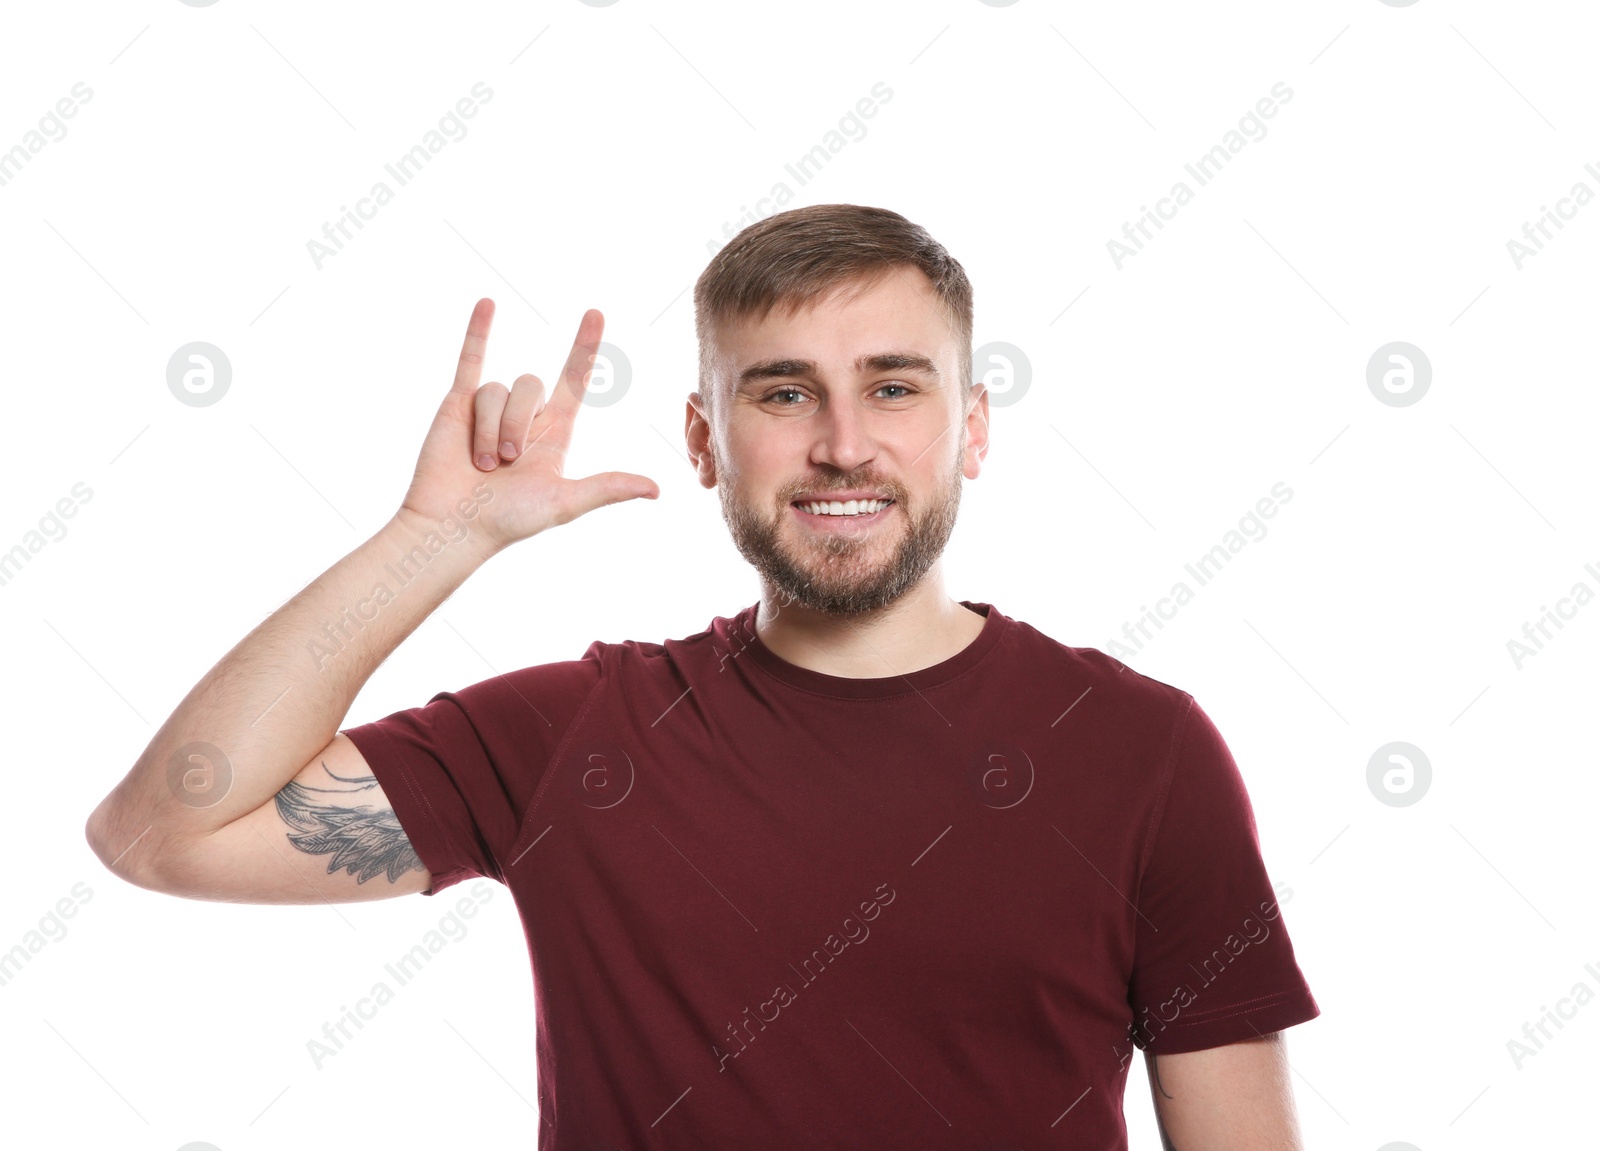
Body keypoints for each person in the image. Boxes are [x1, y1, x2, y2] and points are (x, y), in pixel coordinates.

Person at [86, 203, 1319, 1149]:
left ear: (974, 427)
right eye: (784, 393)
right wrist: (435, 538)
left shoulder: (1139, 750)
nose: (843, 441)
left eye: (893, 385)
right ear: (701, 440)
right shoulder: (570, 736)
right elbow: (163, 832)